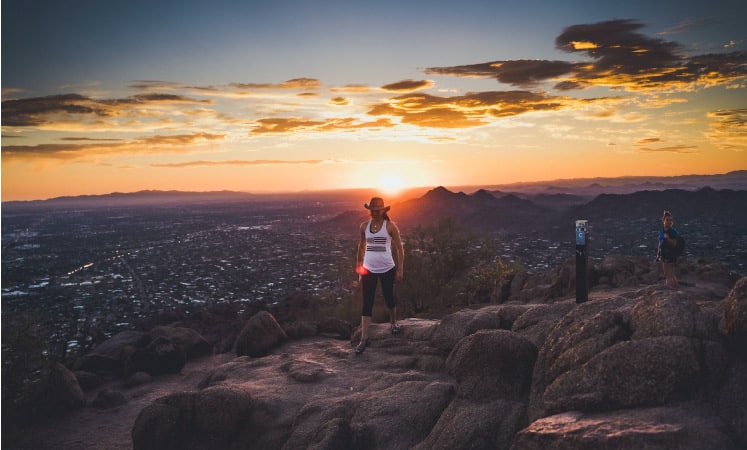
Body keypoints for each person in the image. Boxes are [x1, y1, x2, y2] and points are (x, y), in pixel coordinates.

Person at [354, 197, 405, 354]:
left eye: (378, 210)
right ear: (369, 211)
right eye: (372, 211)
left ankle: (393, 323)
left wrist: (400, 268)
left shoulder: (390, 227)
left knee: (388, 297)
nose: (375, 213)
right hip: (368, 269)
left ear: (383, 211)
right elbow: (361, 247)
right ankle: (364, 338)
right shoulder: (364, 226)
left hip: (387, 268)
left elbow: (399, 248)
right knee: (367, 302)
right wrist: (359, 268)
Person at [657, 210, 679, 288]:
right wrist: (658, 255)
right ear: (663, 221)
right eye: (667, 220)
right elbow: (660, 243)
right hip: (664, 254)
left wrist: (668, 238)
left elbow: (674, 244)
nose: (669, 221)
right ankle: (675, 288)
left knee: (669, 273)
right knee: (669, 273)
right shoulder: (662, 231)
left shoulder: (673, 232)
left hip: (670, 254)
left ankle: (670, 289)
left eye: (670, 220)